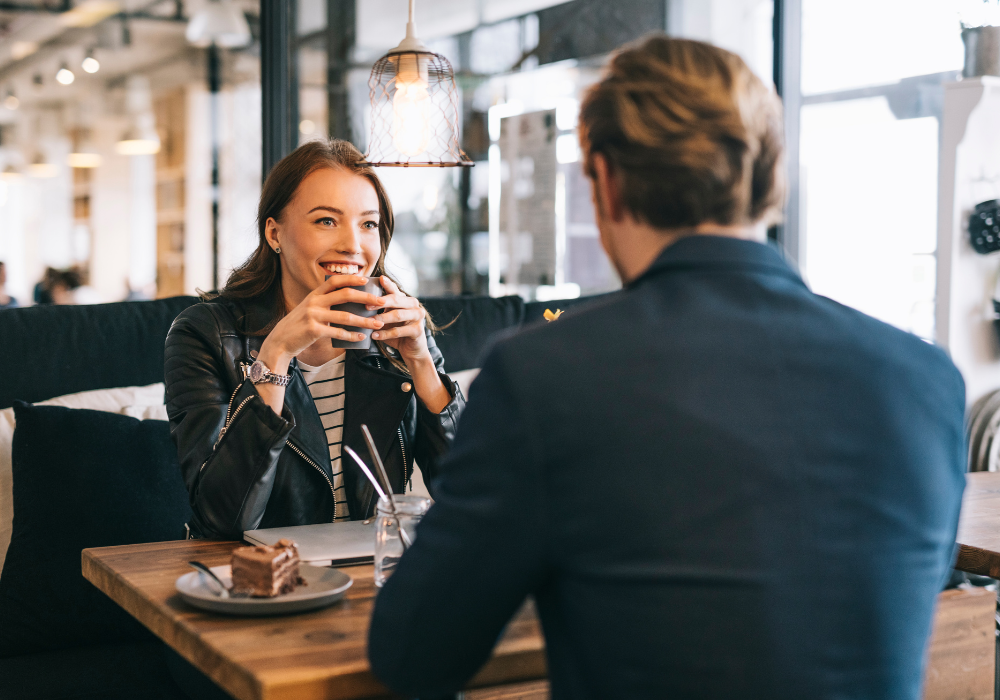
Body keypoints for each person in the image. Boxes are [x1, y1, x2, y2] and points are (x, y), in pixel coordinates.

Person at [367, 36, 966, 699]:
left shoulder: (545, 377)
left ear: (607, 181)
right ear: (770, 179)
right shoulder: (925, 380)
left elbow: (414, 651)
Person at [164, 140, 465, 540]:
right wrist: (274, 355)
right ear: (275, 233)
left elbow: (471, 491)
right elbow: (224, 519)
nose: (353, 245)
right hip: (261, 580)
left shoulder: (396, 327)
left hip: (371, 568)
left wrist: (421, 362)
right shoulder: (205, 334)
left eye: (368, 224)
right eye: (327, 221)